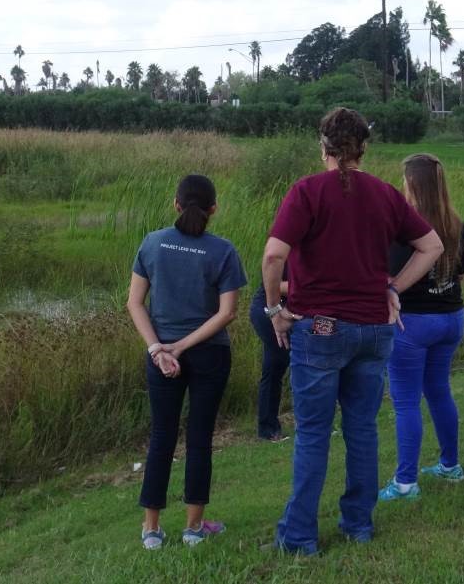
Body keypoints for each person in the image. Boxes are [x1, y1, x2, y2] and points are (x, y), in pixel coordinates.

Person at [263, 107, 443, 555]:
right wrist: (392, 287)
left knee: (313, 433)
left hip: (319, 328)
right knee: (362, 429)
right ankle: (357, 525)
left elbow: (272, 258)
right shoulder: (384, 194)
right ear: (364, 148)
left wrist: (274, 311)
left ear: (323, 146)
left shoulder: (307, 191)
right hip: (373, 330)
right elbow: (432, 246)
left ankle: (300, 537)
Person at [126, 174, 247, 549]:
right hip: (209, 354)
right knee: (199, 438)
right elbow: (227, 314)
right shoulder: (223, 250)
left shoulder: (152, 243)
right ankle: (194, 528)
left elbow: (134, 303)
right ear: (214, 209)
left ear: (175, 204)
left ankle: (151, 529)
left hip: (161, 354)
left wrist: (159, 349)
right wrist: (181, 347)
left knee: (161, 437)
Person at [379, 154, 464, 502]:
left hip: (412, 321)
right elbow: (460, 270)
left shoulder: (405, 227)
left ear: (413, 184)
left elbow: (389, 274)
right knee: (439, 390)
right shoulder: (456, 223)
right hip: (450, 315)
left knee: (405, 402)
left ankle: (405, 482)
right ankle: (450, 465)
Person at [248, 267, 290, 441]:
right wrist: (311, 286)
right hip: (268, 309)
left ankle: (268, 428)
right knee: (279, 361)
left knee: (275, 364)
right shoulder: (288, 249)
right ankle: (268, 428)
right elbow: (273, 285)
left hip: (291, 309)